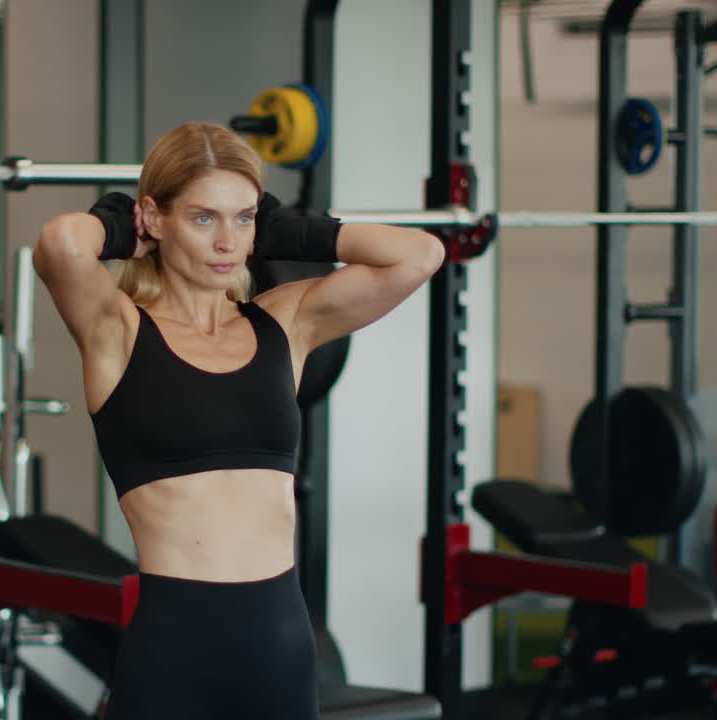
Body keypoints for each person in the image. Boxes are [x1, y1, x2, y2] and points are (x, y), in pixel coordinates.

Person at [33, 122, 444, 719]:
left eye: (244, 218)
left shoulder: (285, 324)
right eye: (204, 218)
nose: (228, 241)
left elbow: (420, 254)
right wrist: (127, 224)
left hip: (280, 641)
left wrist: (287, 230)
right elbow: (61, 243)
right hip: (175, 648)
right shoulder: (117, 332)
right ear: (156, 217)